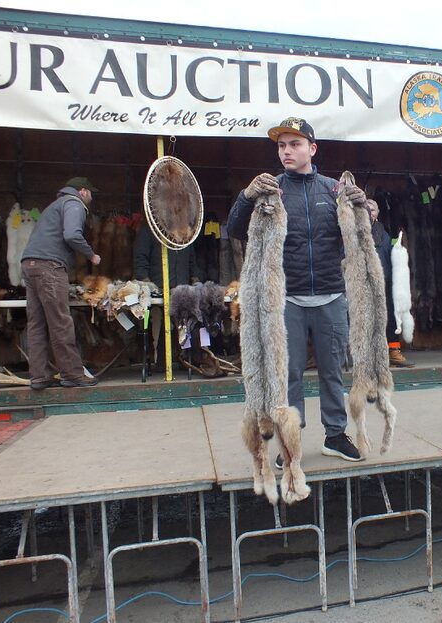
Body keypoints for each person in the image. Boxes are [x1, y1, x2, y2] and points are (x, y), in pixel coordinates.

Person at [228, 116, 368, 463]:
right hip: (286, 298)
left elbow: (364, 236)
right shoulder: (269, 190)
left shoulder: (333, 191)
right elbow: (234, 228)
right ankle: (291, 440)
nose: (287, 151)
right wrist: (247, 195)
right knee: (287, 373)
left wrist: (364, 207)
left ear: (312, 148)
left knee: (333, 370)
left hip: (332, 296)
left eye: (294, 144)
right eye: (281, 146)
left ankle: (335, 435)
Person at [21, 177, 101, 389]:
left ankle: (39, 376)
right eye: (91, 193)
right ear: (82, 191)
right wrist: (91, 255)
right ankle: (72, 374)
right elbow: (72, 235)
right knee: (60, 322)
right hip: (50, 267)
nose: (91, 197)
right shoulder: (74, 204)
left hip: (30, 265)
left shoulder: (53, 206)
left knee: (37, 324)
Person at [133, 220, 201, 369]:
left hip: (182, 286)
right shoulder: (150, 228)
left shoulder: (186, 231)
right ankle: (163, 362)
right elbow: (140, 257)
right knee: (164, 325)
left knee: (188, 323)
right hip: (158, 286)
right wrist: (146, 283)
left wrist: (195, 279)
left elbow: (191, 260)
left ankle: (189, 359)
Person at [368, 199, 415, 368]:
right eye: (366, 209)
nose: (369, 212)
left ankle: (393, 351)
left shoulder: (384, 232)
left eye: (372, 209)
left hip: (385, 281)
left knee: (390, 317)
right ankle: (370, 355)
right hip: (364, 283)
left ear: (377, 213)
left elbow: (392, 253)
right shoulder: (356, 230)